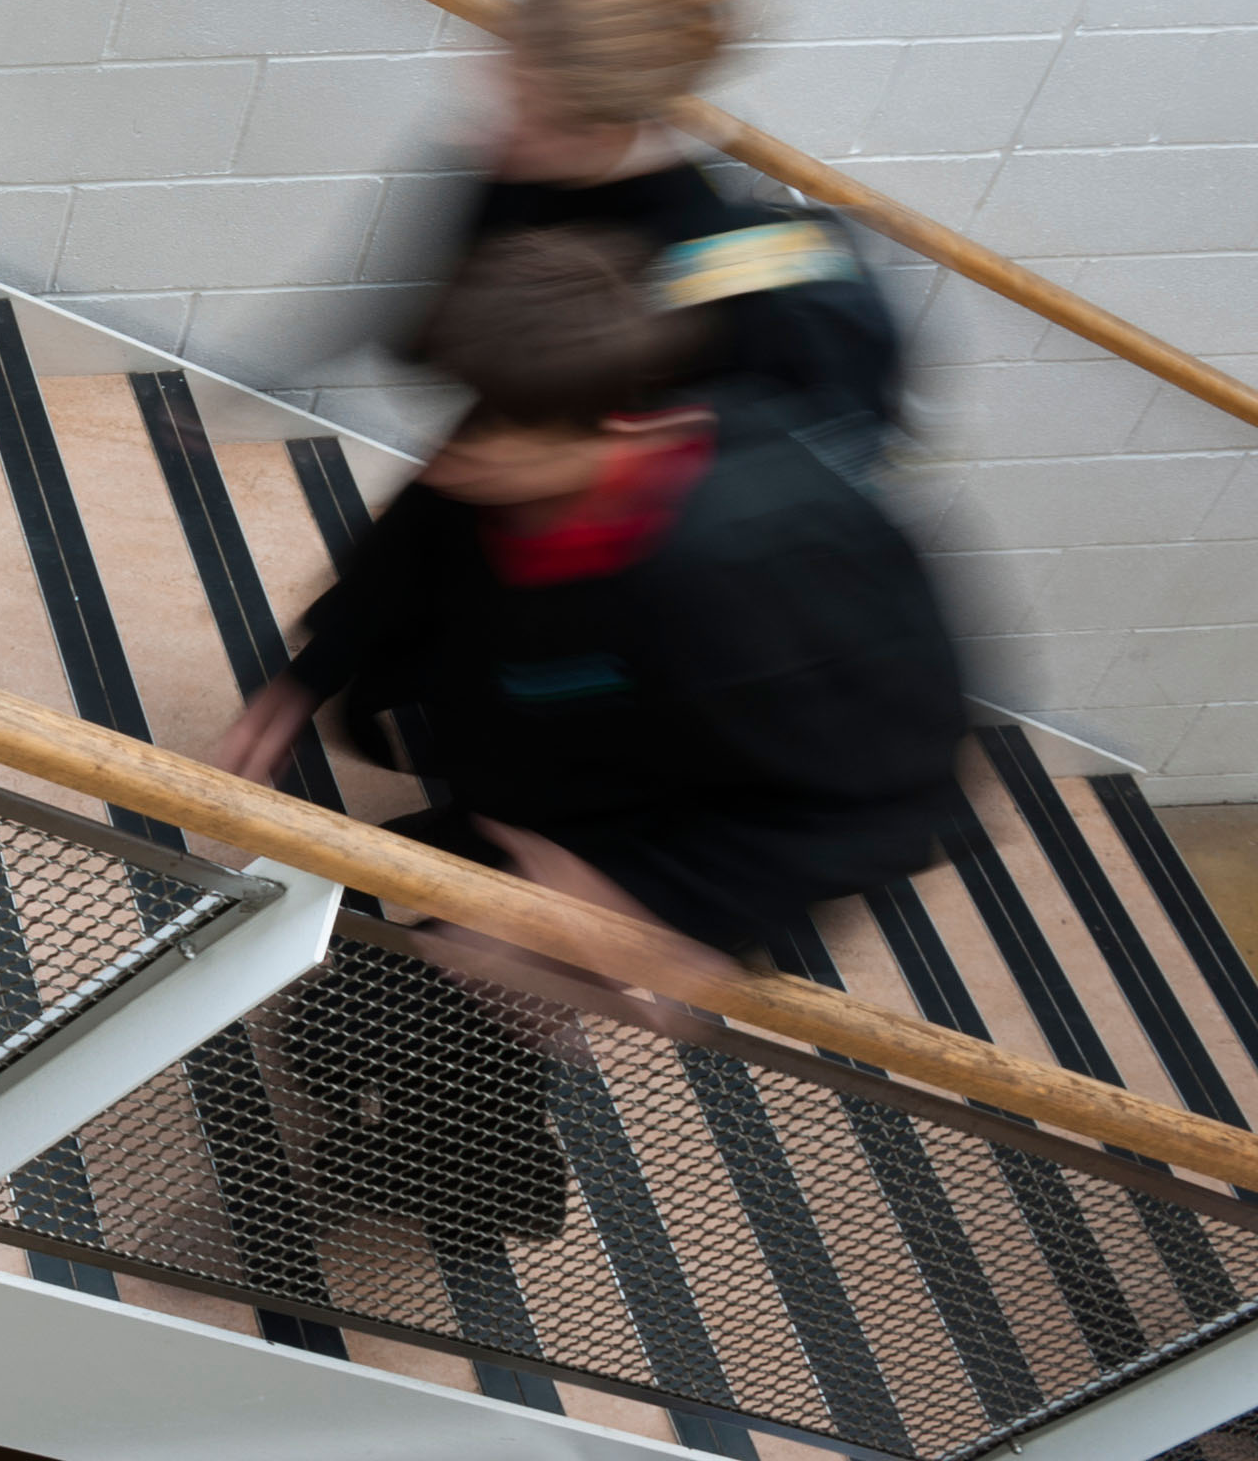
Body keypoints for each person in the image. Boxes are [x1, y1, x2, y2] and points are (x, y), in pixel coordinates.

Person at [211, 224, 965, 993]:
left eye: (491, 434)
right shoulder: (532, 420)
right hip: (531, 776)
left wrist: (646, 910)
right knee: (397, 948)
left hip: (635, 846)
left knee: (458, 1008)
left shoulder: (763, 567)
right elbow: (421, 539)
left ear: (619, 422)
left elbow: (889, 805)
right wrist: (312, 673)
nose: (457, 459)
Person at [438, 0, 900, 447]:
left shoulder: (724, 254)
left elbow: (830, 425)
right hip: (510, 439)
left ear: (603, 133)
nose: (477, 134)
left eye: (521, 110)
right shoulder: (519, 171)